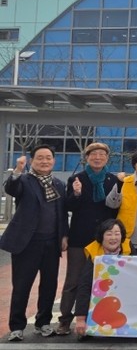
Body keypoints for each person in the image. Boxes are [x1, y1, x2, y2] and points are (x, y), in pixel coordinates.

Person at [1, 145, 68, 342]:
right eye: (40, 157)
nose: (44, 161)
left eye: (48, 157)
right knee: (22, 285)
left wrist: (64, 236)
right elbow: (11, 188)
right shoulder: (23, 180)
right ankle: (16, 326)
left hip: (51, 242)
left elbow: (62, 213)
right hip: (26, 243)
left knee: (49, 285)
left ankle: (43, 322)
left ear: (54, 161)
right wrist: (18, 170)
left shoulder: (58, 184)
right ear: (32, 160)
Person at [57, 142, 119, 335]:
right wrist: (76, 194)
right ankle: (65, 320)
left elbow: (116, 210)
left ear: (107, 158)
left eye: (102, 154)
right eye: (94, 154)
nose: (98, 157)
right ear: (87, 157)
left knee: (103, 280)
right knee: (73, 280)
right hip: (80, 237)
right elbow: (68, 207)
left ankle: (98, 319)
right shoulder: (77, 179)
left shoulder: (114, 180)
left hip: (104, 240)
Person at [74, 219, 131, 338]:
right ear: (101, 236)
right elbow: (84, 286)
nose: (113, 238)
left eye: (117, 233)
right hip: (100, 296)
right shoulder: (94, 252)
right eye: (109, 234)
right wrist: (80, 319)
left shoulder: (128, 248)